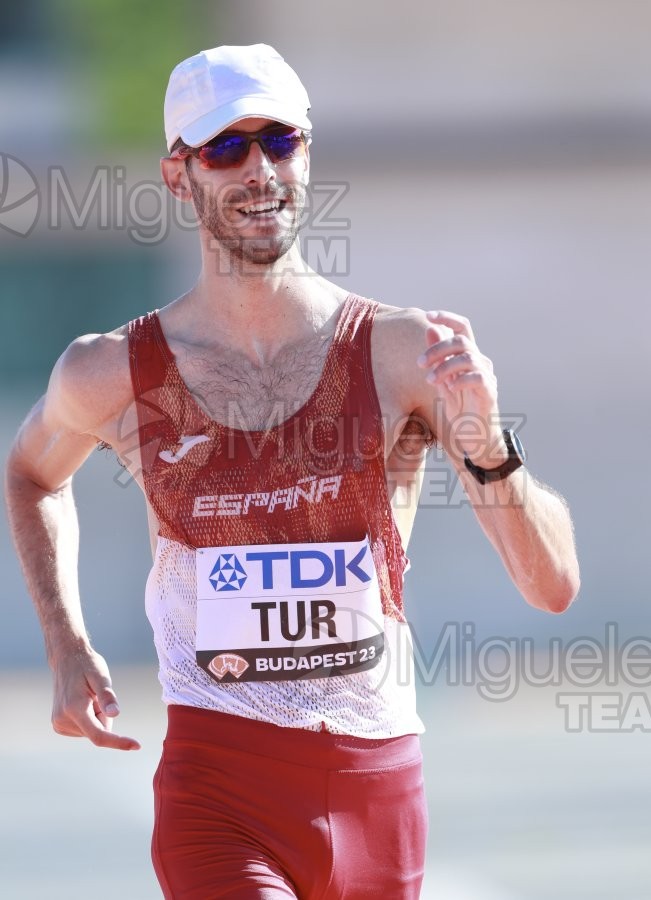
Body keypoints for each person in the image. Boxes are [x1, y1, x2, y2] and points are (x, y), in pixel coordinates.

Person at [4, 43, 580, 899]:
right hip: (218, 785)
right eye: (226, 148)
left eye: (279, 141)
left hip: (376, 781)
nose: (259, 169)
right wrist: (64, 638)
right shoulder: (111, 369)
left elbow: (553, 586)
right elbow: (31, 475)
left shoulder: (404, 354)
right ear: (178, 175)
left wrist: (487, 441)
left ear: (307, 153)